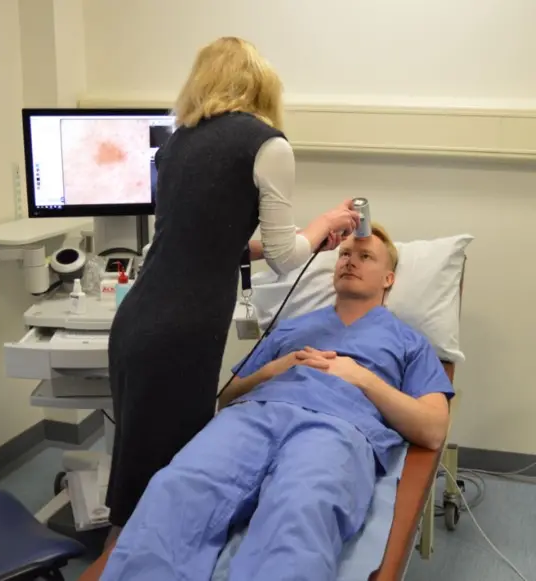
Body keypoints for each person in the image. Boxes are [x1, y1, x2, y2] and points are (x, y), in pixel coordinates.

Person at [92, 35, 362, 565]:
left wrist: (309, 234)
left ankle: (126, 560)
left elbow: (207, 241)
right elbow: (287, 258)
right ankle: (123, 565)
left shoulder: (176, 144)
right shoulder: (268, 144)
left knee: (138, 471)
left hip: (137, 321)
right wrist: (325, 223)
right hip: (180, 334)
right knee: (161, 487)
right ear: (261, 85)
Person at [97, 224, 455, 581]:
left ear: (388, 279)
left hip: (337, 428)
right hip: (252, 417)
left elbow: (433, 429)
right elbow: (227, 398)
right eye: (345, 253)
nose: (350, 261)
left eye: (365, 256)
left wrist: (360, 377)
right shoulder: (289, 328)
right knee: (178, 487)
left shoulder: (410, 342)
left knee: (300, 510)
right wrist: (272, 369)